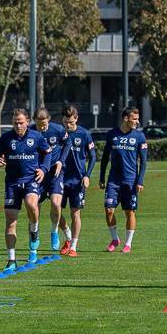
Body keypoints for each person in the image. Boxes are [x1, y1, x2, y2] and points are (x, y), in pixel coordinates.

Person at [0, 108, 48, 274]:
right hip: (12, 183)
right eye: (15, 123)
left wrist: (43, 168)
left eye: (21, 122)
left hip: (31, 180)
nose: (18, 125)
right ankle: (11, 259)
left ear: (27, 122)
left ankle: (34, 229)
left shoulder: (36, 137)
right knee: (10, 222)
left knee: (31, 204)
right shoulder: (6, 138)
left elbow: (47, 153)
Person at [98, 108, 148, 253]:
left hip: (130, 181)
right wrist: (101, 177)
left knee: (129, 211)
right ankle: (115, 239)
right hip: (113, 181)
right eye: (134, 119)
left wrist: (140, 181)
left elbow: (144, 162)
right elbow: (105, 158)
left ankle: (128, 244)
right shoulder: (112, 134)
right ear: (125, 118)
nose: (137, 121)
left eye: (137, 119)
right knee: (109, 210)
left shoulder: (139, 136)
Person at [52, 106, 96, 257]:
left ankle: (73, 247)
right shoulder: (58, 133)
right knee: (55, 209)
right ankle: (68, 235)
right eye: (65, 122)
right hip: (60, 177)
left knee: (75, 213)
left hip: (78, 180)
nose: (68, 125)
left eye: (70, 122)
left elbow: (93, 156)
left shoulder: (84, 133)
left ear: (76, 119)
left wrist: (87, 175)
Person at [33, 108, 67, 251]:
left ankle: (54, 232)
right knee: (34, 207)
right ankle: (35, 233)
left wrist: (61, 161)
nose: (42, 127)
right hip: (37, 173)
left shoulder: (58, 129)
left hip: (54, 172)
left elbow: (68, 144)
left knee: (55, 203)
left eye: (45, 124)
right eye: (39, 124)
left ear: (49, 120)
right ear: (34, 120)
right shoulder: (30, 131)